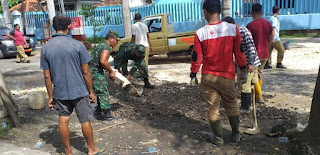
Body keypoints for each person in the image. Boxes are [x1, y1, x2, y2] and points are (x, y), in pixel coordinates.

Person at [40, 15, 104, 155]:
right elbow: (86, 71)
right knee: (84, 120)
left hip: (60, 91)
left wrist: (50, 96)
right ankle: (91, 149)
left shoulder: (45, 48)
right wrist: (91, 92)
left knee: (63, 119)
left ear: (54, 27)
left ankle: (68, 151)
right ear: (69, 26)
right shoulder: (78, 45)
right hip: (79, 90)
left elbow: (46, 75)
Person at [190, 0, 247, 145]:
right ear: (220, 10)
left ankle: (218, 138)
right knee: (231, 104)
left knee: (213, 107)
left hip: (209, 77)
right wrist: (243, 70)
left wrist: (193, 73)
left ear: (205, 12)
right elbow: (239, 53)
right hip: (227, 76)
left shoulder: (200, 33)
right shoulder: (233, 29)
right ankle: (235, 135)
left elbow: (196, 57)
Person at [223, 16, 261, 113]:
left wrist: (250, 64)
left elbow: (251, 48)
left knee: (245, 84)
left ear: (233, 23)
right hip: (241, 63)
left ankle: (246, 107)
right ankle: (249, 103)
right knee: (243, 83)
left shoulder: (244, 32)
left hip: (249, 63)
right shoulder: (231, 33)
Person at [89, 30, 119, 122]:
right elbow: (103, 61)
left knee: (99, 90)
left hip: (92, 70)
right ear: (111, 39)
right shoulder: (106, 47)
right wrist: (111, 71)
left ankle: (98, 111)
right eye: (116, 40)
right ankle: (107, 116)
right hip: (95, 71)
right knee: (103, 91)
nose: (116, 43)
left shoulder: (101, 45)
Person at [246, 3, 274, 103]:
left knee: (254, 76)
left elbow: (247, 42)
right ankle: (258, 95)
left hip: (254, 55)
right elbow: (271, 38)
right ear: (261, 12)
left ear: (251, 13)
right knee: (260, 73)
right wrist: (267, 46)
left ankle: (259, 97)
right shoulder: (268, 24)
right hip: (265, 54)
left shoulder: (250, 26)